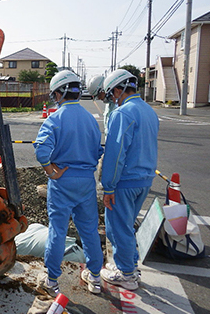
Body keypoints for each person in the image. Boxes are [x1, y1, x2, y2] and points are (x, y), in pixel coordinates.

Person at [33, 70, 104, 296]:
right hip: (86, 181)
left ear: (61, 93)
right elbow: (98, 150)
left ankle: (52, 281)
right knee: (90, 230)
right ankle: (95, 278)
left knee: (58, 231)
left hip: (62, 181)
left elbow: (41, 150)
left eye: (55, 93)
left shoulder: (55, 117)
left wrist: (51, 172)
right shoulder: (91, 119)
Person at [99, 69, 159, 291]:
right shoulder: (149, 111)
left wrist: (109, 186)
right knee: (127, 226)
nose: (112, 99)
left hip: (125, 181)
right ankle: (131, 263)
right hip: (144, 179)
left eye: (111, 94)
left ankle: (127, 274)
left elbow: (115, 155)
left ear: (118, 89)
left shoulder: (122, 113)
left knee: (117, 228)